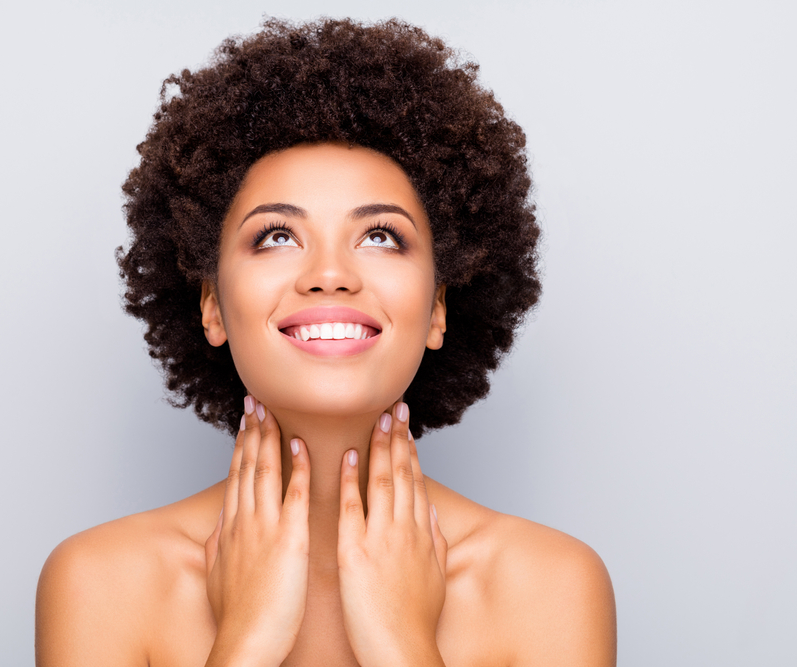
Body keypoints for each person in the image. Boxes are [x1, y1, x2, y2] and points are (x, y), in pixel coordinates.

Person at [36, 17, 616, 666]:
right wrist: (245, 640)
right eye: (277, 236)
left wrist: (403, 645)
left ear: (437, 309)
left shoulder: (550, 586)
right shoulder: (99, 582)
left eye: (381, 236)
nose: (331, 275)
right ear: (211, 304)